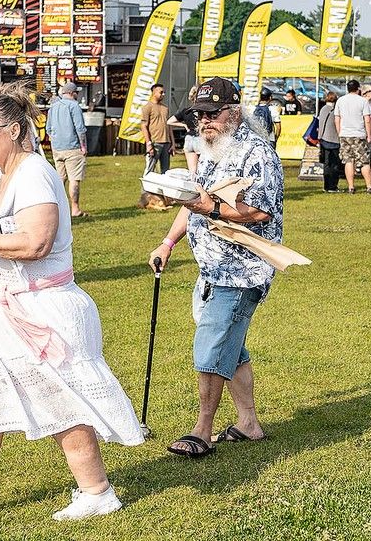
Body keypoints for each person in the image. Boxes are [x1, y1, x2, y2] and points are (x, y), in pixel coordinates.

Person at [0, 82, 142, 523]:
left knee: (62, 400)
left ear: (17, 129)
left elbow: (37, 243)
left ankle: (97, 491)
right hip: (0, 310)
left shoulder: (35, 172)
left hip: (43, 310)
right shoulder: (4, 174)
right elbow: (0, 236)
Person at [148, 77, 281, 457]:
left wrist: (213, 209)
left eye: (212, 114)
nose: (204, 122)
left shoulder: (257, 153)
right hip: (212, 270)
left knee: (211, 347)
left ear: (233, 112)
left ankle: (201, 431)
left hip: (242, 271)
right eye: (199, 115)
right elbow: (191, 201)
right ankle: (248, 423)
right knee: (231, 348)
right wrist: (168, 241)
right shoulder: (212, 149)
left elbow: (260, 211)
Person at [45, 81, 88, 218]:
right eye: (77, 92)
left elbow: (48, 129)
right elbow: (80, 128)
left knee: (60, 179)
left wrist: (56, 141)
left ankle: (56, 209)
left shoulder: (53, 106)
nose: (77, 94)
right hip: (73, 146)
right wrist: (83, 146)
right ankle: (75, 209)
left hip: (57, 148)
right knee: (74, 179)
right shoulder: (74, 106)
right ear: (71, 93)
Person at [334, 79, 371, 194]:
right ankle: (369, 186)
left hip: (345, 134)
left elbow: (337, 118)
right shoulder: (363, 101)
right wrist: (369, 135)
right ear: (358, 89)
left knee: (348, 160)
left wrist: (339, 133)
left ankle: (351, 187)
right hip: (359, 134)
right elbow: (367, 120)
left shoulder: (340, 100)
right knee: (364, 161)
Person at [140, 83, 174, 174]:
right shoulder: (147, 107)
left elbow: (169, 125)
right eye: (161, 92)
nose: (163, 94)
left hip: (166, 143)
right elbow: (144, 126)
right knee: (150, 169)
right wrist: (149, 143)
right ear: (154, 93)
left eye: (164, 92)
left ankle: (162, 188)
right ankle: (146, 188)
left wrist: (173, 143)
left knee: (166, 171)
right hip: (155, 142)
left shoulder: (165, 108)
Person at [169, 86, 201, 173]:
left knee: (192, 170)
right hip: (200, 138)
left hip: (189, 139)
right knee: (202, 169)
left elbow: (169, 121)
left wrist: (184, 125)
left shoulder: (186, 111)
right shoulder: (203, 111)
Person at [317, 90, 342, 193]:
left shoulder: (323, 109)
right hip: (334, 140)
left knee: (327, 164)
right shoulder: (335, 111)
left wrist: (319, 138)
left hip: (324, 139)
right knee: (335, 165)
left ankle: (326, 185)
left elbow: (321, 125)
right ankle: (332, 186)